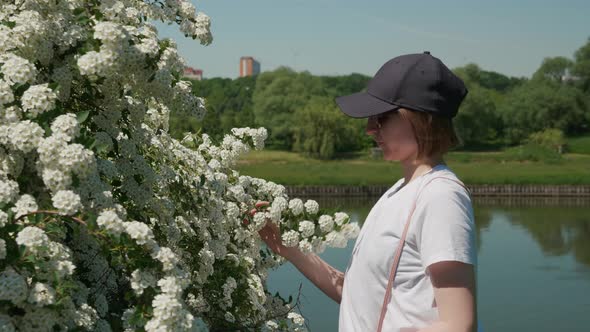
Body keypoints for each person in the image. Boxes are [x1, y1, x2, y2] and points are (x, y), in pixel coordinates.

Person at [258, 52, 478, 332]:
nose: (369, 129)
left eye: (381, 117)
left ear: (420, 118)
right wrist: (286, 248)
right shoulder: (398, 193)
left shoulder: (441, 198)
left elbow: (458, 324)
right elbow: (356, 297)